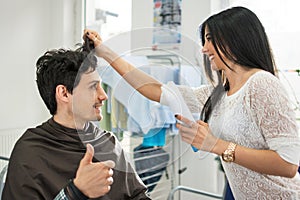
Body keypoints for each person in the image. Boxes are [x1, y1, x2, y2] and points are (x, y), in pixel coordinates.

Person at [84, 6, 300, 199]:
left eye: (209, 39)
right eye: (204, 41)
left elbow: (288, 164)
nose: (204, 49)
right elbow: (153, 89)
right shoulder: (217, 94)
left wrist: (215, 145)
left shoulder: (261, 84)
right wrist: (106, 53)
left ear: (235, 39)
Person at [2, 38, 151, 199]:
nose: (104, 96)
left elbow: (137, 196)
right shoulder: (30, 152)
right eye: (93, 86)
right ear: (64, 93)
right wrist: (76, 192)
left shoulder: (108, 142)